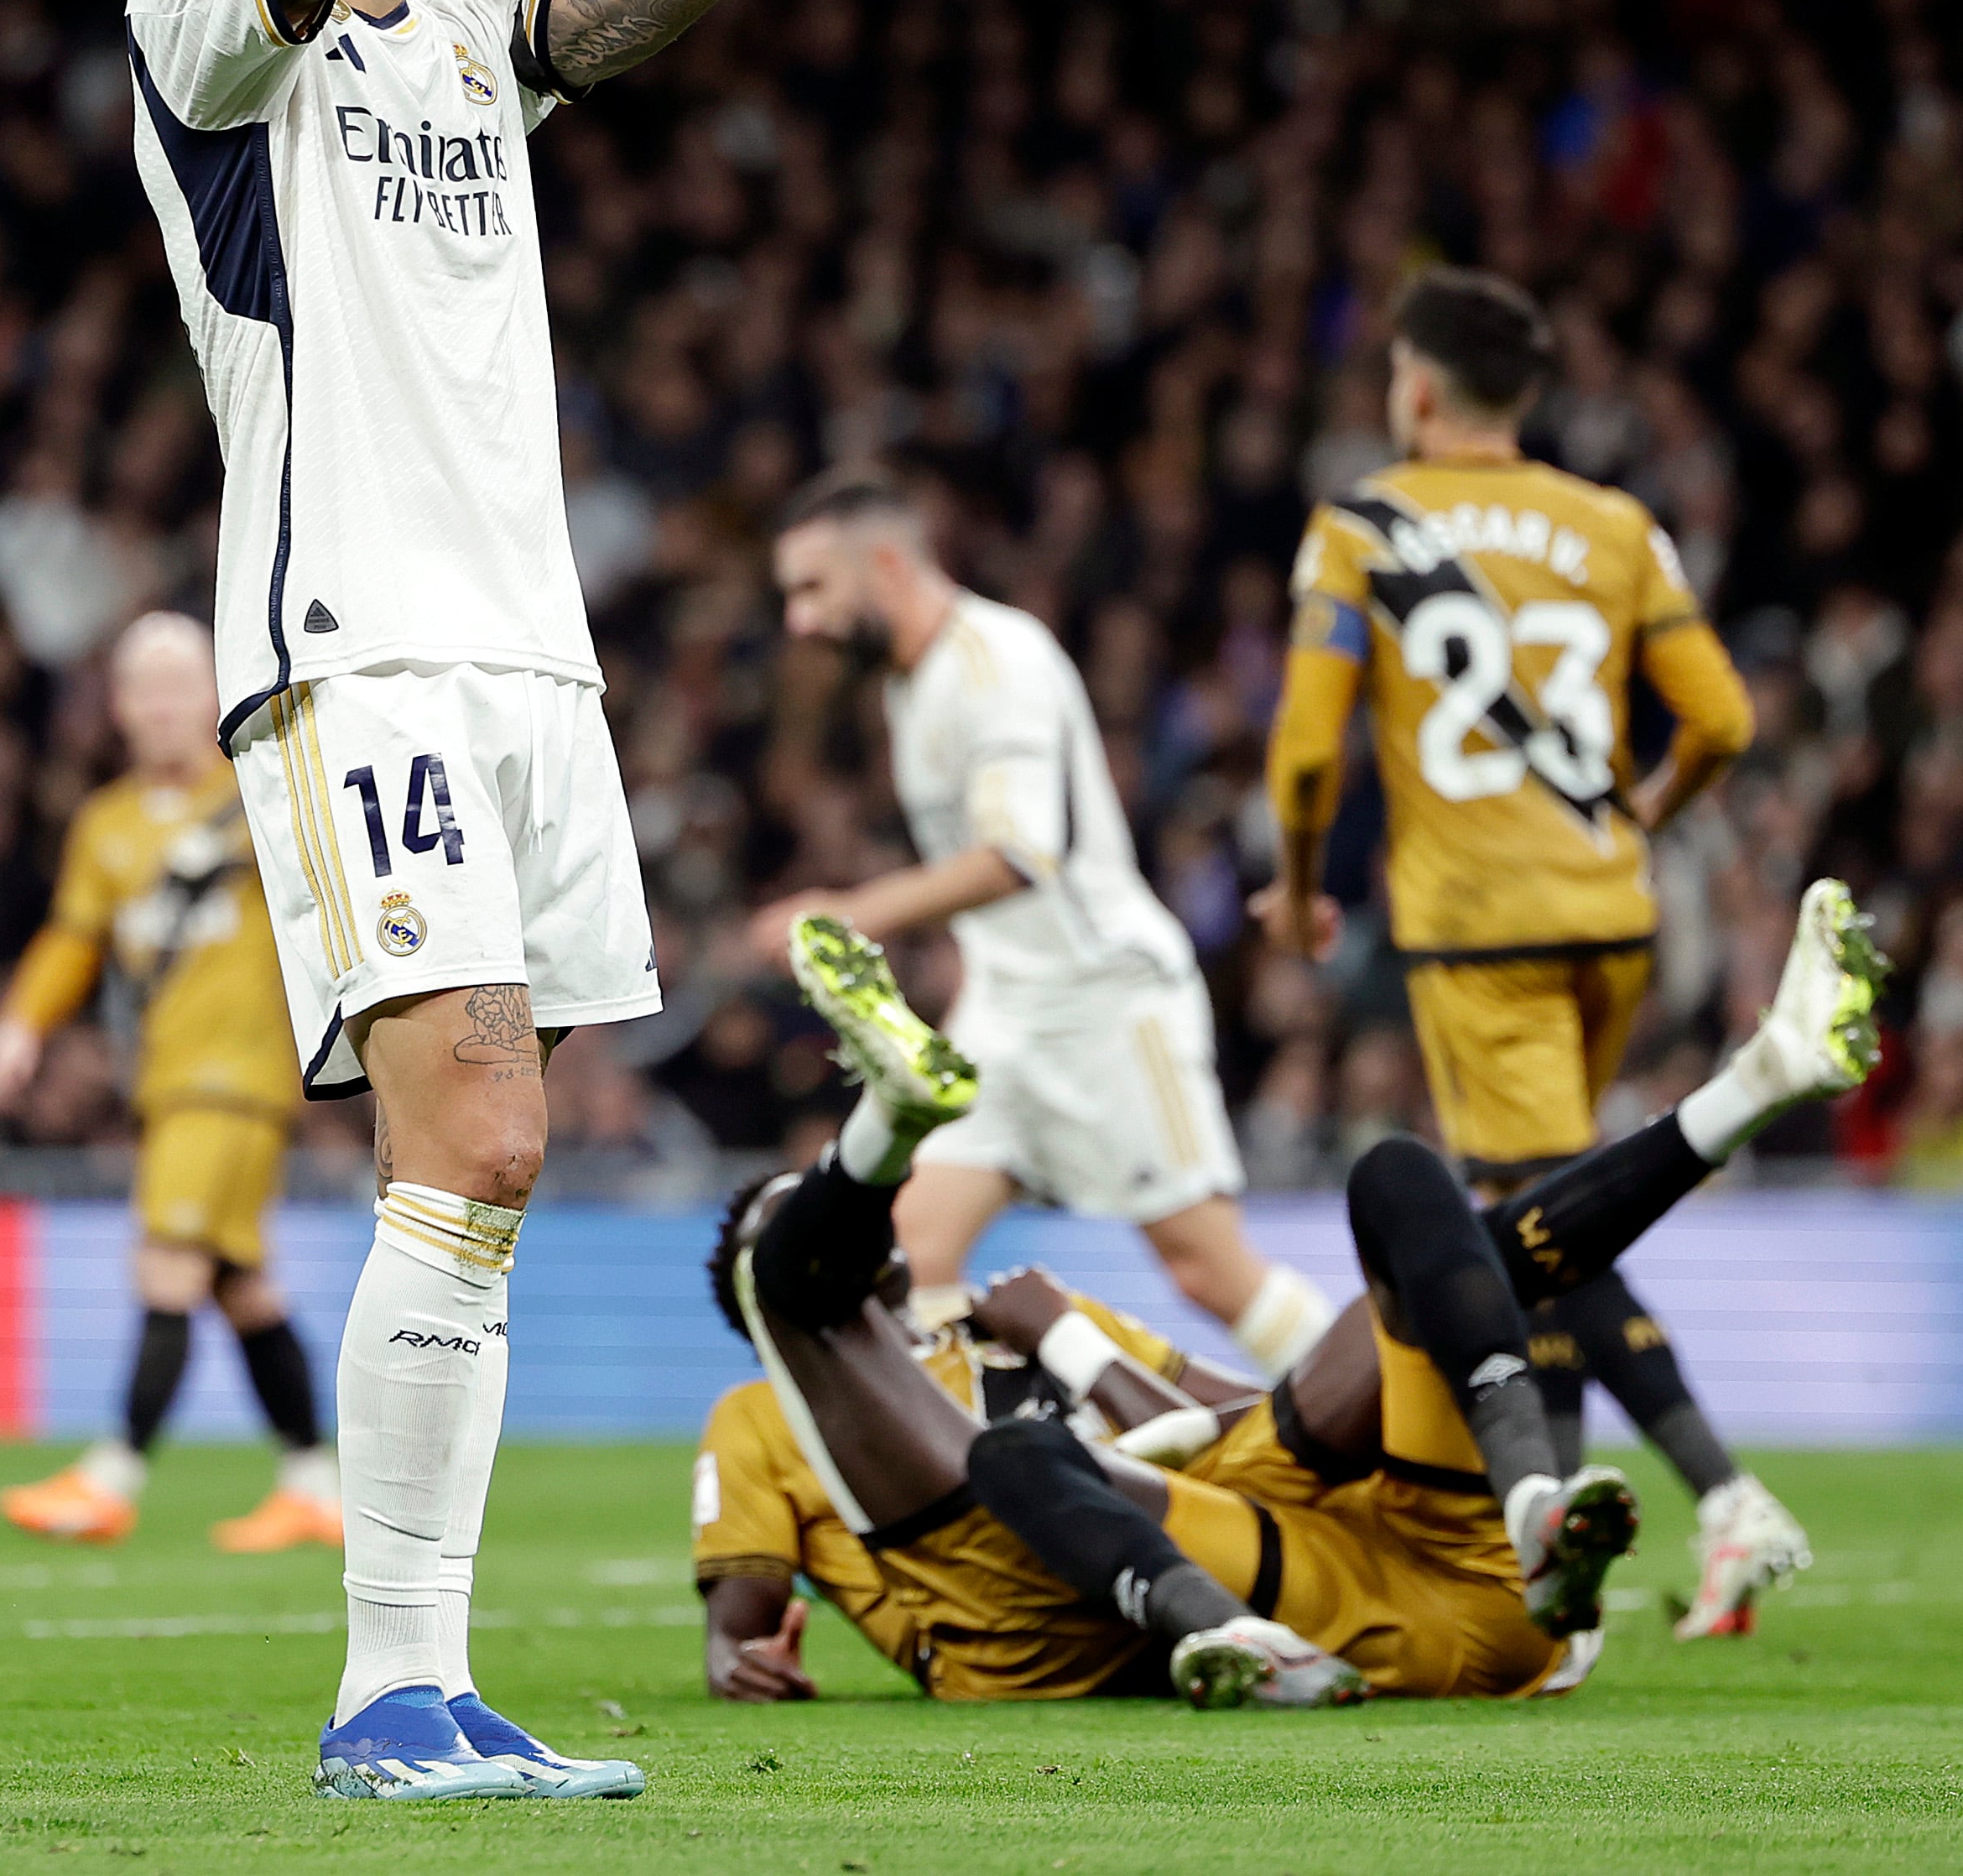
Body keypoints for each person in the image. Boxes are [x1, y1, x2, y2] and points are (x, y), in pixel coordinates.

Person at [127, 0, 771, 1800]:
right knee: (477, 1136)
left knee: (478, 1177)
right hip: (354, 641)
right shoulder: (208, 7)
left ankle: (425, 1681)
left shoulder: (489, 40)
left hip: (528, 663)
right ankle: (379, 1695)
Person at [700, 887, 1881, 1709]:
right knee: (1017, 1456)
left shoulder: (1016, 1308)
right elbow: (736, 1617)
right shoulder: (758, 1417)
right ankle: (1752, 1087)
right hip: (1043, 1608)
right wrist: (738, 1652)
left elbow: (1240, 1412)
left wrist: (1068, 1337)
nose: (826, 1249)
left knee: (1403, 1188)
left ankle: (1522, 1495)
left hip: (1317, 1552)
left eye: (809, 1212)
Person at [1253, 266, 1803, 1642]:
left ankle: (1726, 1501)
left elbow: (1310, 744)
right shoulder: (1612, 522)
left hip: (1478, 931)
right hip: (1613, 918)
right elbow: (1720, 718)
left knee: (1537, 1222)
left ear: (1417, 389)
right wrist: (1642, 816)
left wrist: (1295, 886)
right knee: (1538, 1226)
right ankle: (1557, 1533)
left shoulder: (1357, 528)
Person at [754, 468, 1336, 1377]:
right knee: (911, 1253)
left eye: (811, 587)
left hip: (1105, 1001)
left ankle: (1404, 1423)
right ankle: (975, 1481)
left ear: (883, 563)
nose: (797, 619)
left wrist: (849, 912)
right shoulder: (913, 683)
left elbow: (1021, 853)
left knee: (1206, 1268)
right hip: (1005, 1013)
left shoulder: (994, 660)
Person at [0, 612, 341, 1552]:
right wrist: (21, 1022)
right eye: (147, 686)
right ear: (119, 705)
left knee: (167, 1262)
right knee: (239, 1283)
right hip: (166, 1080)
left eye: (183, 684)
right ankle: (312, 1480)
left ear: (214, 697)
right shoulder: (104, 823)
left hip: (238, 1077)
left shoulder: (264, 795)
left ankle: (112, 1475)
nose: (165, 704)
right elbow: (73, 937)